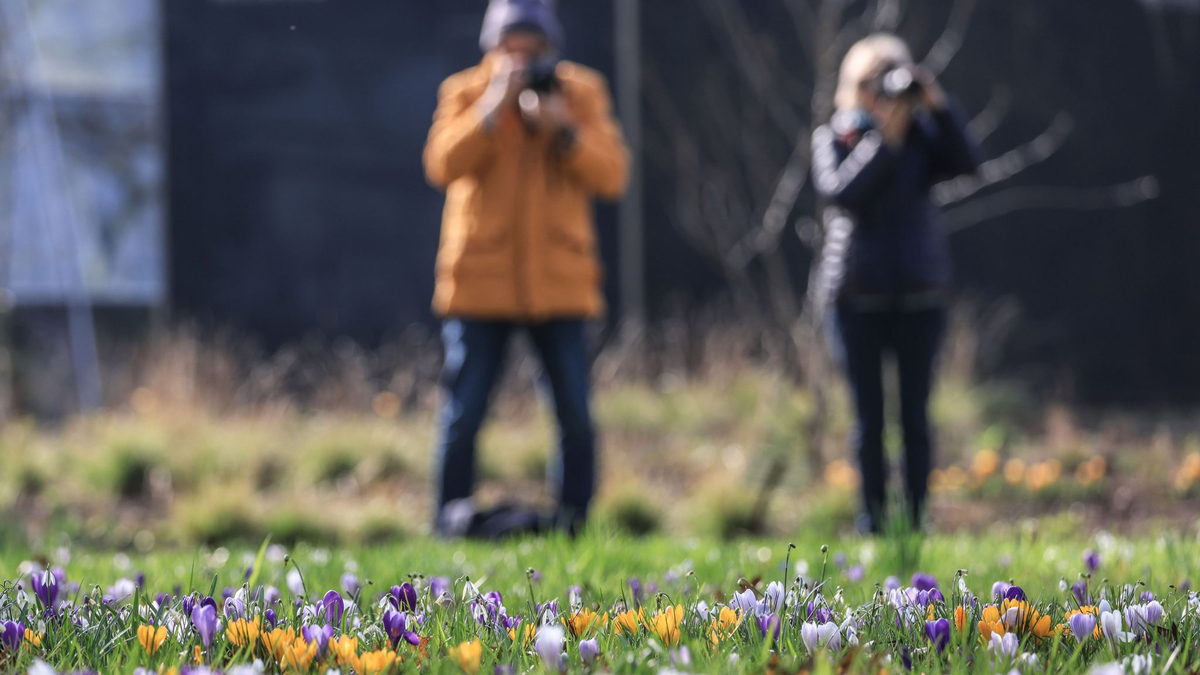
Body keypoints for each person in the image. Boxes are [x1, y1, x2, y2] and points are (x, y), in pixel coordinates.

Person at [422, 0, 629, 537]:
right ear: (492, 47)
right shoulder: (464, 92)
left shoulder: (581, 93)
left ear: (549, 49)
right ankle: (448, 525)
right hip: (478, 285)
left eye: (531, 49)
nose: (521, 58)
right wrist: (494, 107)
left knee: (575, 416)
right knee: (462, 414)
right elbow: (442, 163)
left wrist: (564, 130)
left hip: (559, 286)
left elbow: (612, 175)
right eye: (510, 48)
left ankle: (575, 527)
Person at [811, 34, 984, 534]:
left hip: (919, 293)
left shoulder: (925, 138)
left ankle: (917, 519)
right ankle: (873, 521)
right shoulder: (837, 136)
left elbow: (970, 164)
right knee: (868, 419)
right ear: (851, 86)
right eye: (869, 82)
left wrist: (937, 105)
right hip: (855, 295)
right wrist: (884, 142)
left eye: (890, 80)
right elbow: (839, 193)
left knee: (914, 415)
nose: (880, 94)